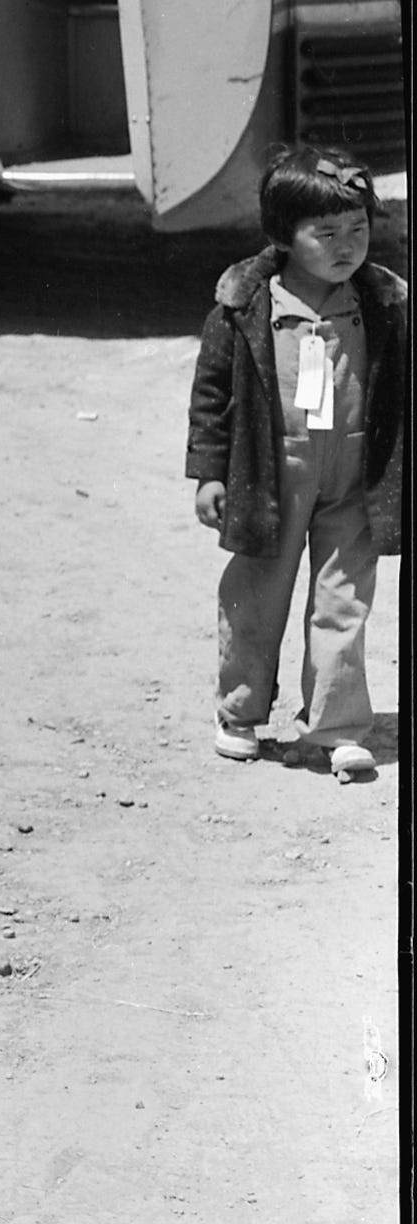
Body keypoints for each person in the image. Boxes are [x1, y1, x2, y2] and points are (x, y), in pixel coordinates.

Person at [187, 144, 404, 782]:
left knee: (344, 599)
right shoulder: (247, 305)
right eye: (326, 233)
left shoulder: (384, 304)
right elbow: (212, 395)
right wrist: (210, 472)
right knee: (256, 593)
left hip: (355, 475)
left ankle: (335, 729)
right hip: (270, 473)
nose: (346, 246)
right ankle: (240, 713)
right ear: (285, 236)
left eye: (358, 229)